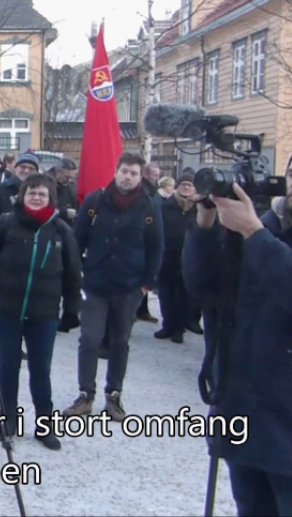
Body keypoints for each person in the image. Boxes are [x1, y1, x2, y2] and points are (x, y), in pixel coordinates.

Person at [182, 142, 292, 517]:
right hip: (244, 414)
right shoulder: (263, 227)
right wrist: (204, 225)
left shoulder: (258, 232)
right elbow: (204, 287)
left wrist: (254, 233)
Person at [0, 174, 82, 450]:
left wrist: (72, 310)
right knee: (8, 365)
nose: (36, 197)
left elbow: (73, 274)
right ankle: (8, 417)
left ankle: (44, 424)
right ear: (22, 196)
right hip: (5, 309)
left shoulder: (61, 231)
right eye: (31, 192)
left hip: (43, 313)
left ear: (51, 199)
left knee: (40, 369)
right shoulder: (4, 224)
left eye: (42, 194)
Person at [62, 152, 163, 421]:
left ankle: (114, 396)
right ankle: (86, 395)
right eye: (124, 171)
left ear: (140, 177)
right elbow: (77, 240)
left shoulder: (150, 207)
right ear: (116, 171)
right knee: (90, 339)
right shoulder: (96, 201)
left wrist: (145, 285)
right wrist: (75, 275)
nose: (128, 177)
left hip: (129, 287)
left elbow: (156, 248)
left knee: (119, 342)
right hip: (95, 284)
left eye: (134, 173)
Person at [154, 171, 198, 344]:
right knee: (166, 295)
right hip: (167, 258)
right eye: (183, 184)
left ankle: (179, 329)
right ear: (177, 187)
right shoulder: (166, 206)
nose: (186, 188)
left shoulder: (199, 208)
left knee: (184, 296)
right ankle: (168, 326)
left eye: (190, 185)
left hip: (189, 260)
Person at [135, 162, 164, 324]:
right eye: (155, 174)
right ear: (145, 174)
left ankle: (142, 310)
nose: (157, 177)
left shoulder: (153, 190)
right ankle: (135, 310)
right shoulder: (143, 191)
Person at [0, 151, 39, 230]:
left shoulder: (41, 194)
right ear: (15, 168)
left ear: (37, 172)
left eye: (31, 168)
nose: (26, 171)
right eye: (23, 167)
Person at [49, 158, 79, 227]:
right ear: (58, 172)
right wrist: (63, 213)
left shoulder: (72, 184)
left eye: (72, 177)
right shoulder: (46, 184)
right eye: (67, 177)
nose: (69, 180)